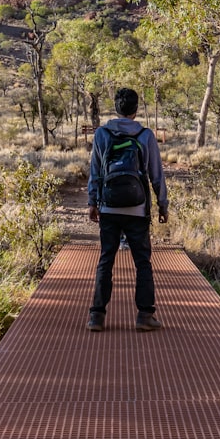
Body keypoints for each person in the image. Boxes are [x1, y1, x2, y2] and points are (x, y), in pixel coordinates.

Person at [86, 87, 168, 332]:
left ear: (116, 107)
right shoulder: (145, 135)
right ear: (135, 109)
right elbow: (156, 174)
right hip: (138, 208)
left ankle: (96, 317)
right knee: (142, 261)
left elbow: (95, 172)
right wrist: (162, 205)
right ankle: (144, 316)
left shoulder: (102, 134)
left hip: (109, 208)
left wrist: (92, 202)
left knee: (106, 260)